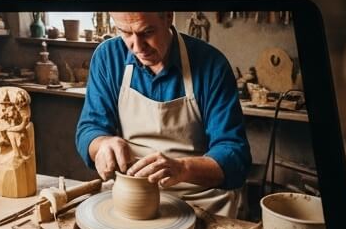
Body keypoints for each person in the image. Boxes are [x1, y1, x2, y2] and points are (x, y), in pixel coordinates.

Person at [75, 11, 251, 217]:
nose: (137, 47)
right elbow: (89, 129)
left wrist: (183, 168)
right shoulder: (108, 57)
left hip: (199, 200)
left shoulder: (211, 64)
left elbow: (235, 156)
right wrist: (102, 144)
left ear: (168, 17)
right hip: (132, 198)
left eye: (147, 32)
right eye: (125, 32)